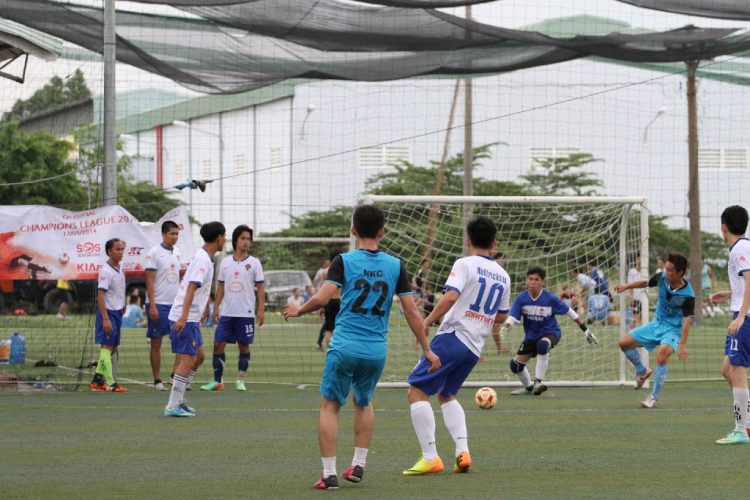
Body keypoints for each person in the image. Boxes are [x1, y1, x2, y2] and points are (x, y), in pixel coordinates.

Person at [284, 204, 440, 490]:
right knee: (364, 401)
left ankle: (329, 473)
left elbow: (322, 298)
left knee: (330, 406)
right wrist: (427, 349)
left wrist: (298, 310)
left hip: (344, 345)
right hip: (375, 351)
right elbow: (411, 311)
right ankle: (358, 465)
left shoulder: (343, 261)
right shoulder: (396, 265)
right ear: (382, 232)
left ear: (353, 230)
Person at [403, 216, 510, 476]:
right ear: (494, 243)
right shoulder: (504, 276)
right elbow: (502, 316)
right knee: (446, 393)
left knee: (416, 392)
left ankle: (430, 457)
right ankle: (463, 452)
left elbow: (451, 295)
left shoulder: (465, 263)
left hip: (453, 336)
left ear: (468, 240)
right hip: (474, 347)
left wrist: (426, 321)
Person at [501, 266, 598, 396]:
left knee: (542, 345)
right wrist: (508, 324)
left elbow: (570, 312)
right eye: (530, 279)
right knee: (515, 366)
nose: (533, 282)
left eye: (536, 279)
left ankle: (538, 382)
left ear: (542, 282)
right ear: (527, 280)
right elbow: (513, 315)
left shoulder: (550, 298)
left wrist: (585, 329)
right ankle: (529, 389)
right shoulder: (521, 298)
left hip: (551, 332)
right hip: (531, 336)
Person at [614, 252, 693, 409]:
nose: (666, 272)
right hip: (656, 324)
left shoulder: (688, 295)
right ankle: (642, 371)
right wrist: (627, 286)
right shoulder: (662, 278)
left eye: (670, 270)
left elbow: (687, 322)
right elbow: (646, 282)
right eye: (666, 268)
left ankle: (653, 397)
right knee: (624, 343)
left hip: (672, 330)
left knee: (662, 356)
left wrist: (682, 345)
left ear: (680, 273)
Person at [164, 221, 226, 417]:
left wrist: (205, 305)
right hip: (185, 317)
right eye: (225, 236)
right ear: (220, 238)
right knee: (188, 360)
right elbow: (191, 288)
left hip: (191, 316)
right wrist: (184, 317)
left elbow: (199, 287)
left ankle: (179, 400)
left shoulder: (205, 258)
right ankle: (172, 405)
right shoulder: (202, 260)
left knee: (199, 357)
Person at [202, 225, 265, 392]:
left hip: (245, 313)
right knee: (218, 344)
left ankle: (240, 380)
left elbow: (260, 287)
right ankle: (217, 381)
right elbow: (221, 286)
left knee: (243, 346)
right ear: (236, 240)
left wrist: (261, 310)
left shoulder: (255, 263)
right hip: (227, 312)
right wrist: (216, 307)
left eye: (248, 239)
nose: (246, 242)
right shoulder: (225, 262)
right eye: (243, 238)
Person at [710, 205, 750, 444]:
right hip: (741, 310)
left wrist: (741, 316)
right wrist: (730, 293)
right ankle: (745, 422)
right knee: (727, 370)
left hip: (745, 317)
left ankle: (740, 430)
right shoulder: (742, 247)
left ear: (724, 226)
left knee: (737, 372)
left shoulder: (740, 248)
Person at [145, 220, 182, 392]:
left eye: (177, 234)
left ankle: (174, 376)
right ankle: (157, 380)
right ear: (163, 234)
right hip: (158, 304)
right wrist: (152, 306)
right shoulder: (154, 253)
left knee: (181, 340)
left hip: (175, 305)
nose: (175, 237)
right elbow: (149, 281)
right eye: (172, 234)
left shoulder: (178, 252)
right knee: (156, 343)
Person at [89, 238, 128, 393]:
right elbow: (100, 295)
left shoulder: (121, 267)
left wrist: (123, 303)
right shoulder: (105, 271)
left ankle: (97, 380)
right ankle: (111, 383)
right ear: (109, 252)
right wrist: (105, 318)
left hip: (117, 311)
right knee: (106, 347)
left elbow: (120, 286)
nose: (120, 252)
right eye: (117, 249)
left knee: (112, 348)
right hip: (108, 313)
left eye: (122, 249)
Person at [489, 251, 511, 354]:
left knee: (495, 324)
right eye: (501, 260)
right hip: (490, 299)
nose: (503, 262)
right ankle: (499, 347)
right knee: (494, 323)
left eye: (503, 260)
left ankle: (499, 347)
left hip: (495, 298)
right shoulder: (492, 270)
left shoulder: (502, 273)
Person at [627, 252, 643, 330]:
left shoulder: (644, 272)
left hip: (642, 297)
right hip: (636, 297)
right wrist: (631, 297)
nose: (640, 260)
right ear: (636, 259)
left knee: (641, 317)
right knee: (634, 316)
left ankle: (639, 334)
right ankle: (630, 332)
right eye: (638, 259)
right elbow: (631, 285)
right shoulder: (632, 271)